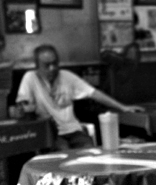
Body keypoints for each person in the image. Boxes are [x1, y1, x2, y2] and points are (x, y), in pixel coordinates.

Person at [15, 45, 144, 150]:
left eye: (55, 63)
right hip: (51, 134)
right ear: (37, 66)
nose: (52, 68)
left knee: (90, 150)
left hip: (74, 130)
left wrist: (123, 107)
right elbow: (22, 105)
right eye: (47, 65)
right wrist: (25, 109)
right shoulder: (30, 78)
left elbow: (94, 93)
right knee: (64, 151)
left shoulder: (66, 76)